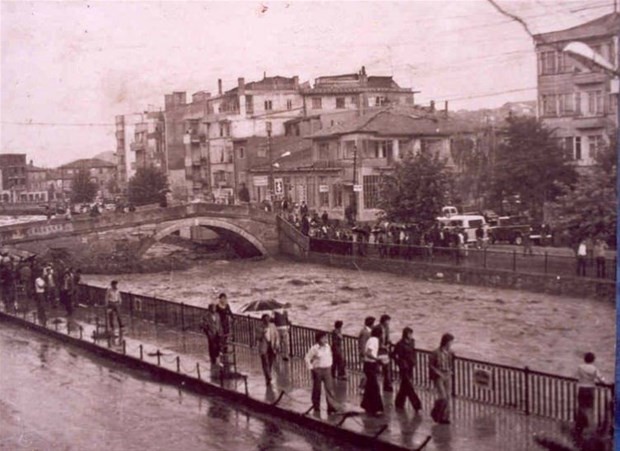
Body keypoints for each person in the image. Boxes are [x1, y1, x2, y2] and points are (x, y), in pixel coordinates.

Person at [305, 331, 339, 414]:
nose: (325, 340)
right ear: (318, 339)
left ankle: (331, 407)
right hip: (318, 370)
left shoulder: (328, 347)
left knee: (329, 389)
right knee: (317, 389)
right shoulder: (314, 348)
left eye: (326, 338)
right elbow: (307, 358)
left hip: (327, 369)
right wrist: (311, 368)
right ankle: (316, 405)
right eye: (323, 338)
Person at [575, 352, 606, 436]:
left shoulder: (580, 367)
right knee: (589, 408)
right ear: (593, 360)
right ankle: (589, 427)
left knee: (581, 407)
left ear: (584, 359)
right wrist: (605, 382)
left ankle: (579, 427)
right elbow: (601, 378)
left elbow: (576, 376)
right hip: (590, 389)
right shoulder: (594, 368)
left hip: (582, 388)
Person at [393, 327, 422, 412]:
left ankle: (399, 402)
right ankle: (417, 404)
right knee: (408, 385)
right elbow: (395, 354)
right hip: (404, 367)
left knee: (404, 385)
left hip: (410, 366)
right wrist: (400, 362)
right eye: (409, 334)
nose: (411, 335)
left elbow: (413, 352)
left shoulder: (412, 342)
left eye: (411, 333)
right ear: (405, 334)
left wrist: (414, 361)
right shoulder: (400, 344)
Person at [429, 333, 455, 424]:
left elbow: (451, 361)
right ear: (446, 342)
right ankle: (435, 412)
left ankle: (445, 417)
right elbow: (431, 365)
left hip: (447, 374)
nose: (451, 343)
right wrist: (438, 373)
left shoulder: (450, 352)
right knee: (443, 396)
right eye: (450, 341)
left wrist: (450, 370)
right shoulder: (436, 352)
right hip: (439, 375)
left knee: (448, 396)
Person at [361, 326, 384, 416]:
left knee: (370, 386)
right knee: (374, 387)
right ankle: (376, 408)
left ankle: (367, 405)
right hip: (371, 364)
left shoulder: (371, 339)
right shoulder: (374, 340)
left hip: (368, 364)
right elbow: (369, 353)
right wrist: (377, 359)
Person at [257, 313, 279, 385]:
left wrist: (276, 345)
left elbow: (276, 336)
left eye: (268, 319)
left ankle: (268, 376)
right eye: (265, 319)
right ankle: (268, 376)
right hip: (263, 346)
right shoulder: (259, 327)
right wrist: (262, 334)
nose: (267, 321)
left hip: (271, 346)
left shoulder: (272, 326)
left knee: (270, 362)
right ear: (262, 320)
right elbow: (257, 338)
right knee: (265, 362)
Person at [358, 316, 375, 389]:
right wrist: (363, 354)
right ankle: (362, 386)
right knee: (366, 372)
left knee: (367, 372)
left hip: (366, 355)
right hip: (366, 355)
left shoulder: (366, 331)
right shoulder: (365, 332)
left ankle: (365, 386)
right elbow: (362, 344)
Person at [378, 314, 393, 392]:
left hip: (384, 351)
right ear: (384, 321)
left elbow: (388, 338)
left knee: (387, 368)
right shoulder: (378, 328)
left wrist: (389, 342)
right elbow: (376, 340)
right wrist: (383, 346)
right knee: (377, 369)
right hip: (378, 351)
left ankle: (387, 385)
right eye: (388, 321)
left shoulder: (387, 328)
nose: (389, 322)